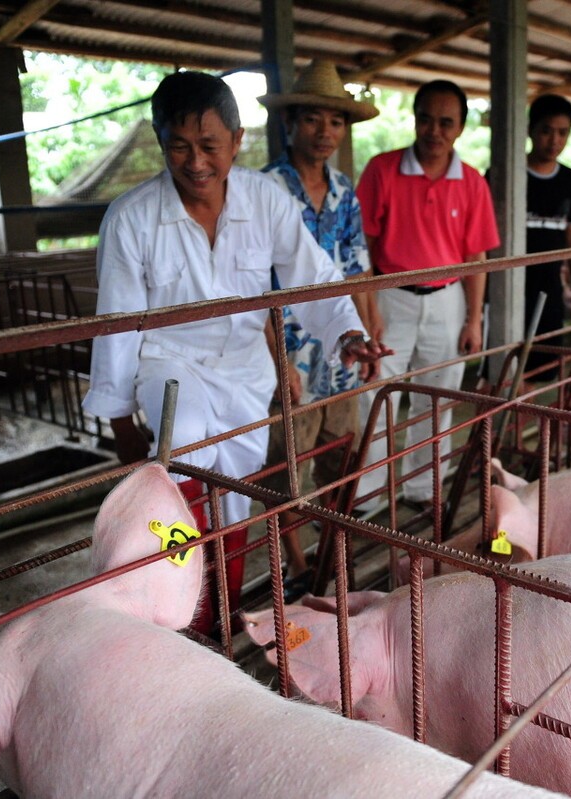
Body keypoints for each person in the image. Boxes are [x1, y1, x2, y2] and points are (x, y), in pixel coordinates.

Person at [82, 70, 386, 632]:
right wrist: (119, 415)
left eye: (208, 146)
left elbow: (312, 274)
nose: (195, 162)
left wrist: (346, 331)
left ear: (237, 140)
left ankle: (221, 603)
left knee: (239, 490)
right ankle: (187, 609)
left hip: (246, 369)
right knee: (184, 462)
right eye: (179, 146)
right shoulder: (131, 217)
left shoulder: (263, 199)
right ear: (160, 142)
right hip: (170, 361)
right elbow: (118, 322)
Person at [255, 60, 379, 589]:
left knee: (338, 454)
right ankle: (298, 565)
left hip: (341, 351)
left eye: (336, 121)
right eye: (312, 119)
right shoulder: (263, 190)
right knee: (288, 463)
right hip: (289, 353)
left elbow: (359, 269)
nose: (325, 131)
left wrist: (370, 335)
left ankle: (331, 546)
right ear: (289, 125)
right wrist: (278, 360)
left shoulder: (344, 190)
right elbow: (255, 286)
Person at [354, 80, 500, 509]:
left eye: (446, 122)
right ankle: (371, 495)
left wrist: (474, 319)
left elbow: (476, 256)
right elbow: (361, 245)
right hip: (390, 294)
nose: (434, 130)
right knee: (374, 392)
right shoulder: (382, 170)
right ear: (414, 119)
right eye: (426, 119)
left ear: (459, 128)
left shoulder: (471, 182)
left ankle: (422, 488)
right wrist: (367, 309)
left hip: (447, 299)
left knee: (438, 393)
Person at [522, 93, 571, 382]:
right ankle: (501, 427)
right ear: (531, 130)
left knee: (543, 372)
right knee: (506, 372)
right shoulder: (506, 173)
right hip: (509, 290)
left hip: (550, 289)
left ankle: (527, 427)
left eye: (563, 133)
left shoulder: (570, 180)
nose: (554, 140)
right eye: (547, 130)